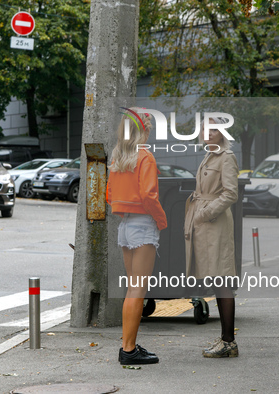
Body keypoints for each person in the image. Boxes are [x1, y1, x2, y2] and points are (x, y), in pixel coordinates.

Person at [106, 108, 167, 365]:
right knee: (137, 290)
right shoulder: (146, 158)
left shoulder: (119, 157)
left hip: (125, 225)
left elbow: (109, 195)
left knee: (132, 288)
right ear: (142, 130)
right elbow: (149, 196)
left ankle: (127, 346)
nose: (151, 131)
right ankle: (129, 350)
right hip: (143, 225)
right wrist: (161, 220)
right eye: (149, 127)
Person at [184, 118, 239, 358]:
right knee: (217, 281)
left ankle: (229, 342)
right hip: (205, 224)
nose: (208, 133)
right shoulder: (209, 155)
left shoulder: (226, 157)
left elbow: (231, 193)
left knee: (222, 280)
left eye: (214, 129)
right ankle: (226, 340)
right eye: (205, 129)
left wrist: (205, 212)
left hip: (214, 224)